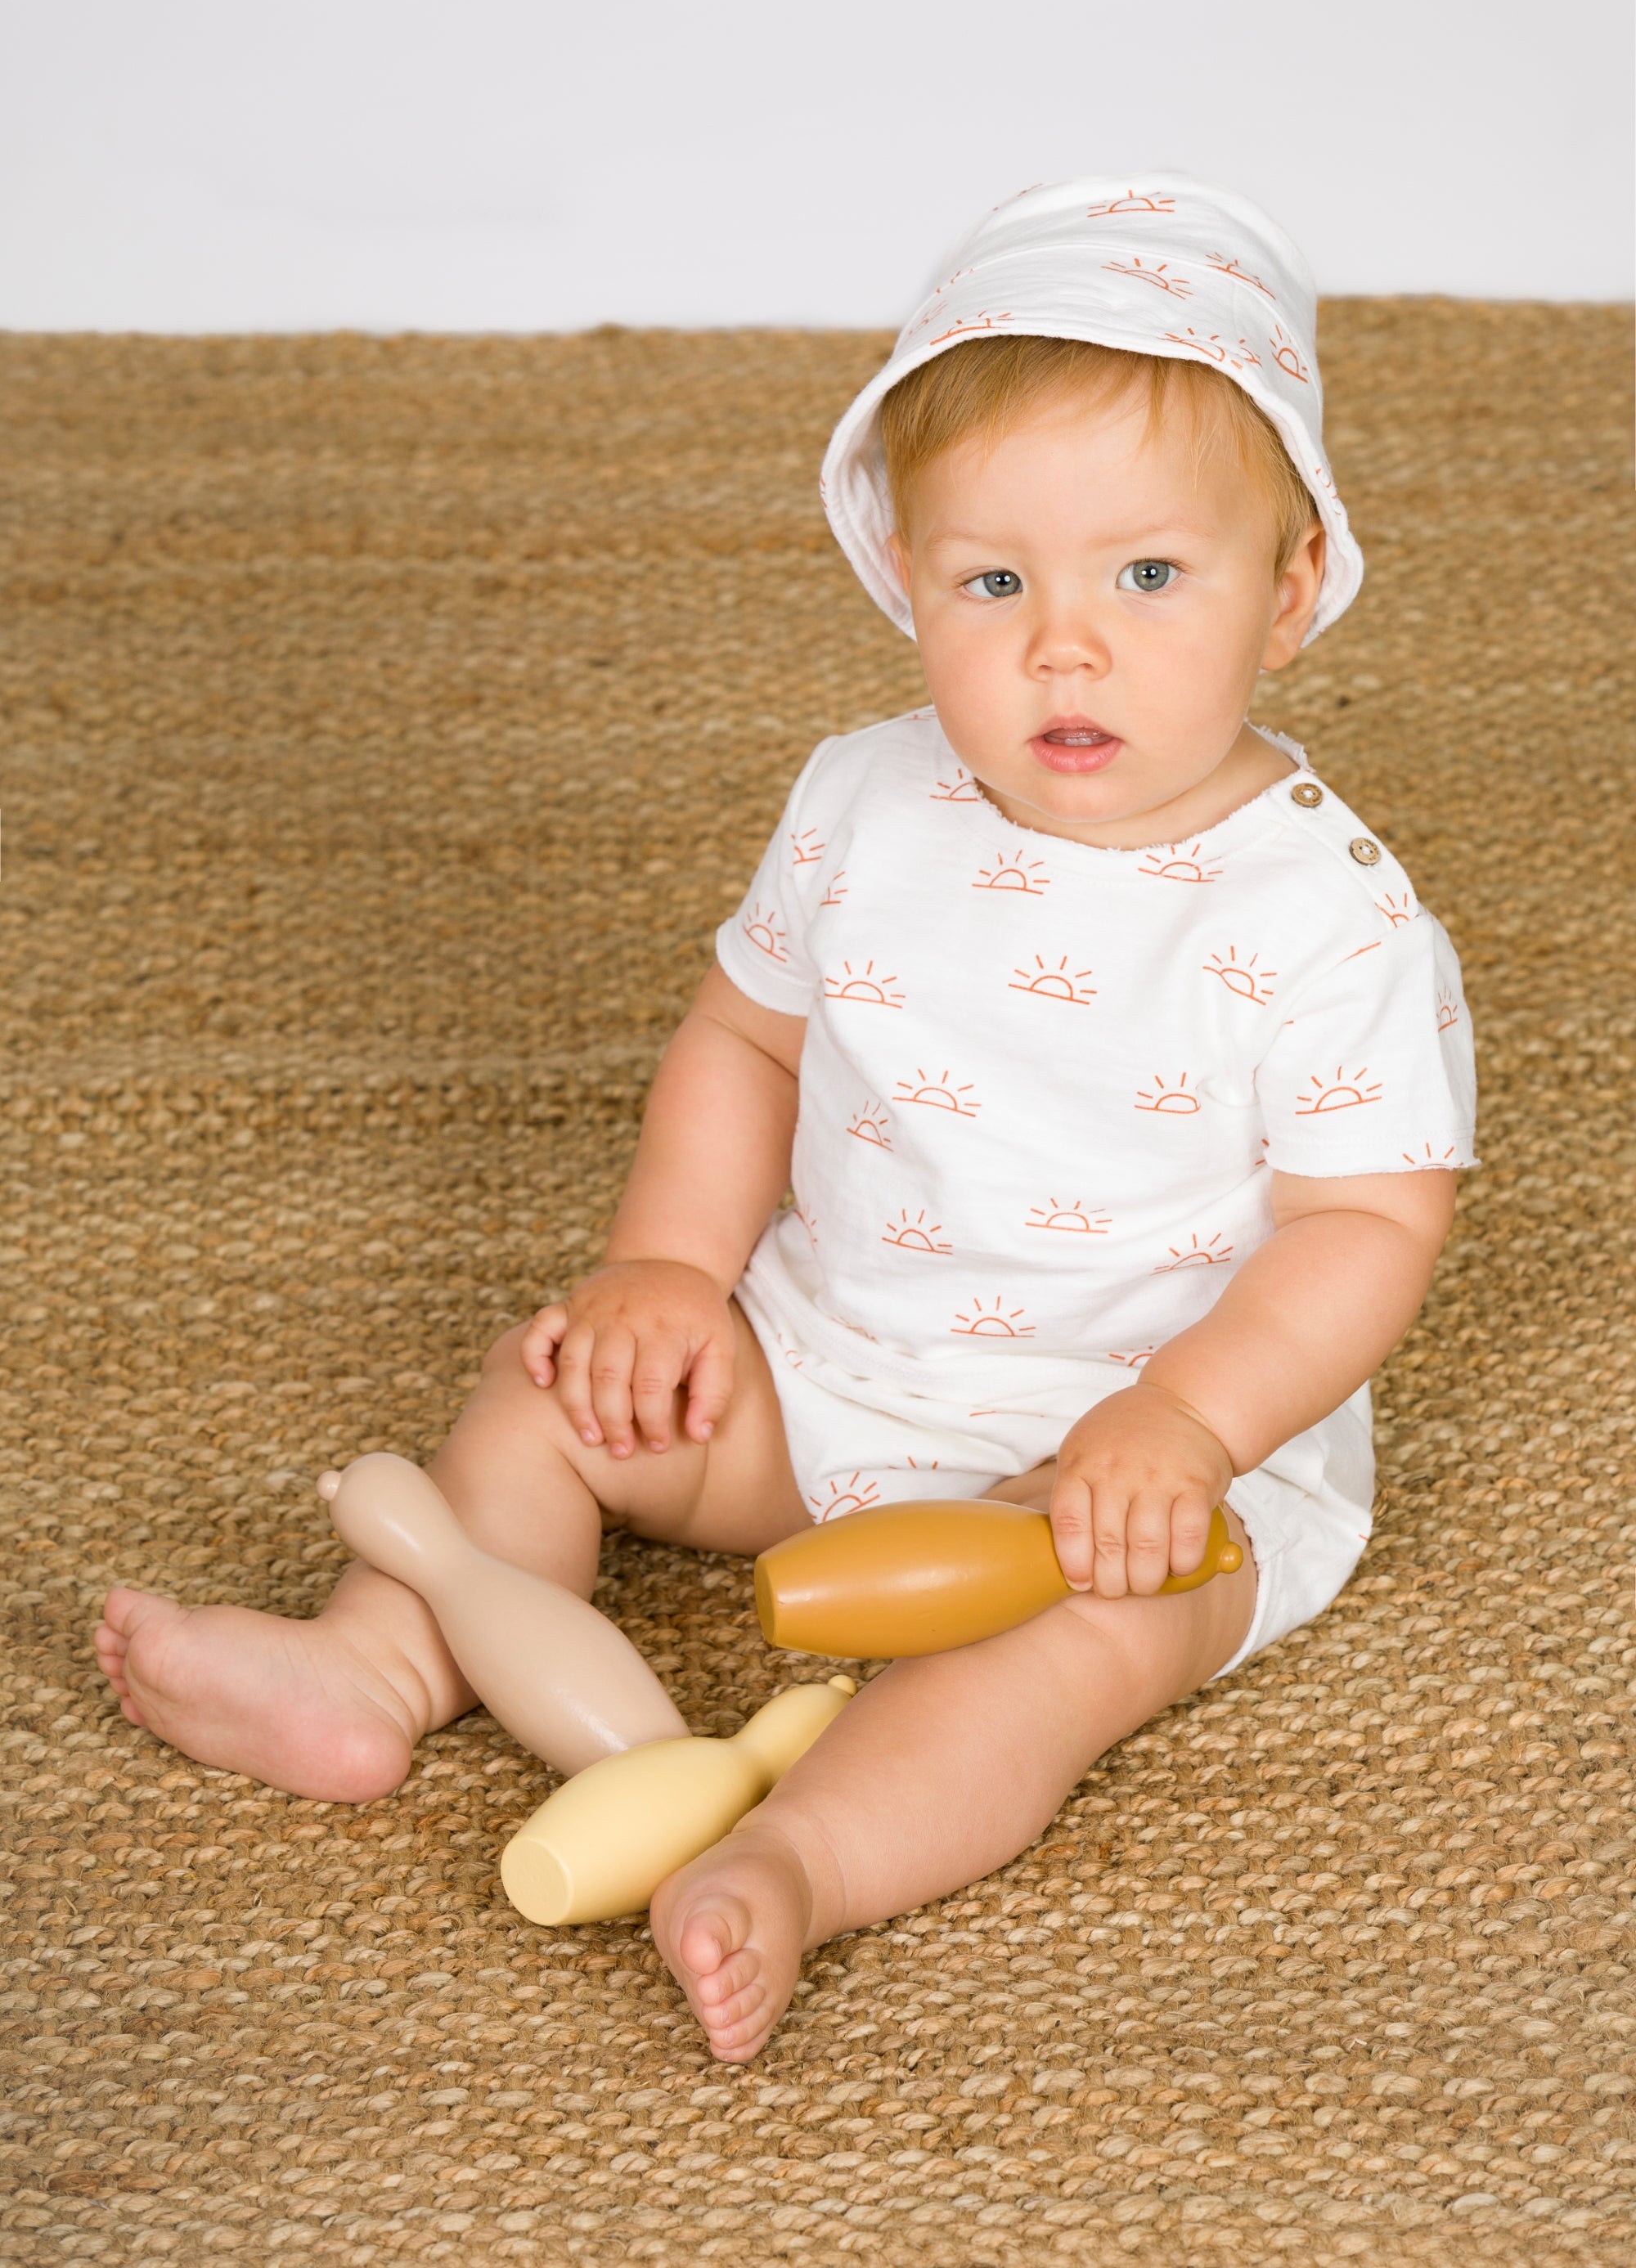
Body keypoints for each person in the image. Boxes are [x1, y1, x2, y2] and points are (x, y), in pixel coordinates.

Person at [96, 177, 1476, 2063]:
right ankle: (381, 1654)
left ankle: (803, 1862)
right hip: (824, 1356)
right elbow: (744, 1046)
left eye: (1148, 577)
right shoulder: (864, 801)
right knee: (561, 1392)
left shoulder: (1326, 919)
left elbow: (1362, 1232)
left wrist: (1183, 1425)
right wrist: (665, 1271)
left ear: (1291, 587)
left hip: (1138, 1461)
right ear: (908, 578)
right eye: (993, 583)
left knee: (1063, 1663)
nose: (1062, 647)